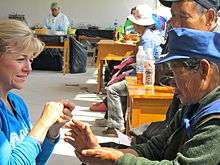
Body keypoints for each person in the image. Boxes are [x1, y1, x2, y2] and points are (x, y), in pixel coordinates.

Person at [65, 28, 220, 165]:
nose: (173, 87)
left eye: (176, 74)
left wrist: (116, 160)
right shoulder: (193, 106)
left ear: (204, 70)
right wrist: (99, 151)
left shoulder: (215, 122)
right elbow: (156, 147)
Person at [0, 19, 74, 164]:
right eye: (21, 59)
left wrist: (51, 133)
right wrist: (43, 123)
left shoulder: (17, 104)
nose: (28, 68)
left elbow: (35, 161)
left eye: (31, 60)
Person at [96, 4, 163, 136]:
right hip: (146, 74)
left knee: (112, 89)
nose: (133, 25)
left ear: (139, 24)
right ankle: (116, 121)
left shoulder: (146, 39)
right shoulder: (149, 35)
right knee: (117, 82)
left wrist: (127, 74)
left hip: (145, 77)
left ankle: (116, 126)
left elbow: (145, 65)